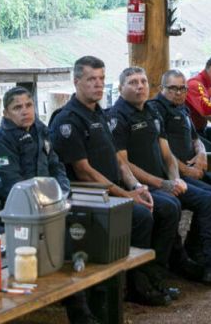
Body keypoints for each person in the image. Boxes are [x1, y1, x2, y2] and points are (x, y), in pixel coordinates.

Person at [50, 56, 180, 307]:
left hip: (111, 192)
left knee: (166, 208)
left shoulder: (99, 113)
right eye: (91, 79)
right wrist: (125, 195)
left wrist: (136, 187)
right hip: (86, 196)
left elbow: (118, 160)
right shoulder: (68, 119)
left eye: (101, 79)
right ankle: (137, 287)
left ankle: (153, 277)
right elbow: (84, 171)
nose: (98, 85)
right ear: (76, 82)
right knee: (143, 216)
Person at [111, 66, 211, 285]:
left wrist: (177, 177)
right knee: (205, 200)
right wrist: (170, 180)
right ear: (120, 88)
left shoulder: (152, 111)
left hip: (170, 177)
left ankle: (196, 253)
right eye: (133, 82)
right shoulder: (120, 115)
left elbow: (166, 153)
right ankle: (199, 263)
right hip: (146, 183)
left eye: (143, 81)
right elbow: (123, 163)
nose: (140, 86)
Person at [0, 88, 99, 324]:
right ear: (5, 113)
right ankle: (82, 314)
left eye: (29, 105)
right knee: (67, 237)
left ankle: (98, 304)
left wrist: (62, 194)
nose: (25, 111)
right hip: (18, 217)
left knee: (91, 226)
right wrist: (49, 204)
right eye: (18, 107)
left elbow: (57, 168)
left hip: (51, 206)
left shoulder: (41, 131)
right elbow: (13, 188)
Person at [147, 69, 211, 236]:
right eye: (173, 88)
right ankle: (205, 247)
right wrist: (186, 170)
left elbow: (196, 138)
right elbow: (161, 152)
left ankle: (195, 243)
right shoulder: (156, 109)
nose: (178, 93)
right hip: (174, 174)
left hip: (193, 169)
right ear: (162, 88)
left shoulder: (183, 108)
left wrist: (202, 153)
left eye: (182, 88)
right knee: (210, 197)